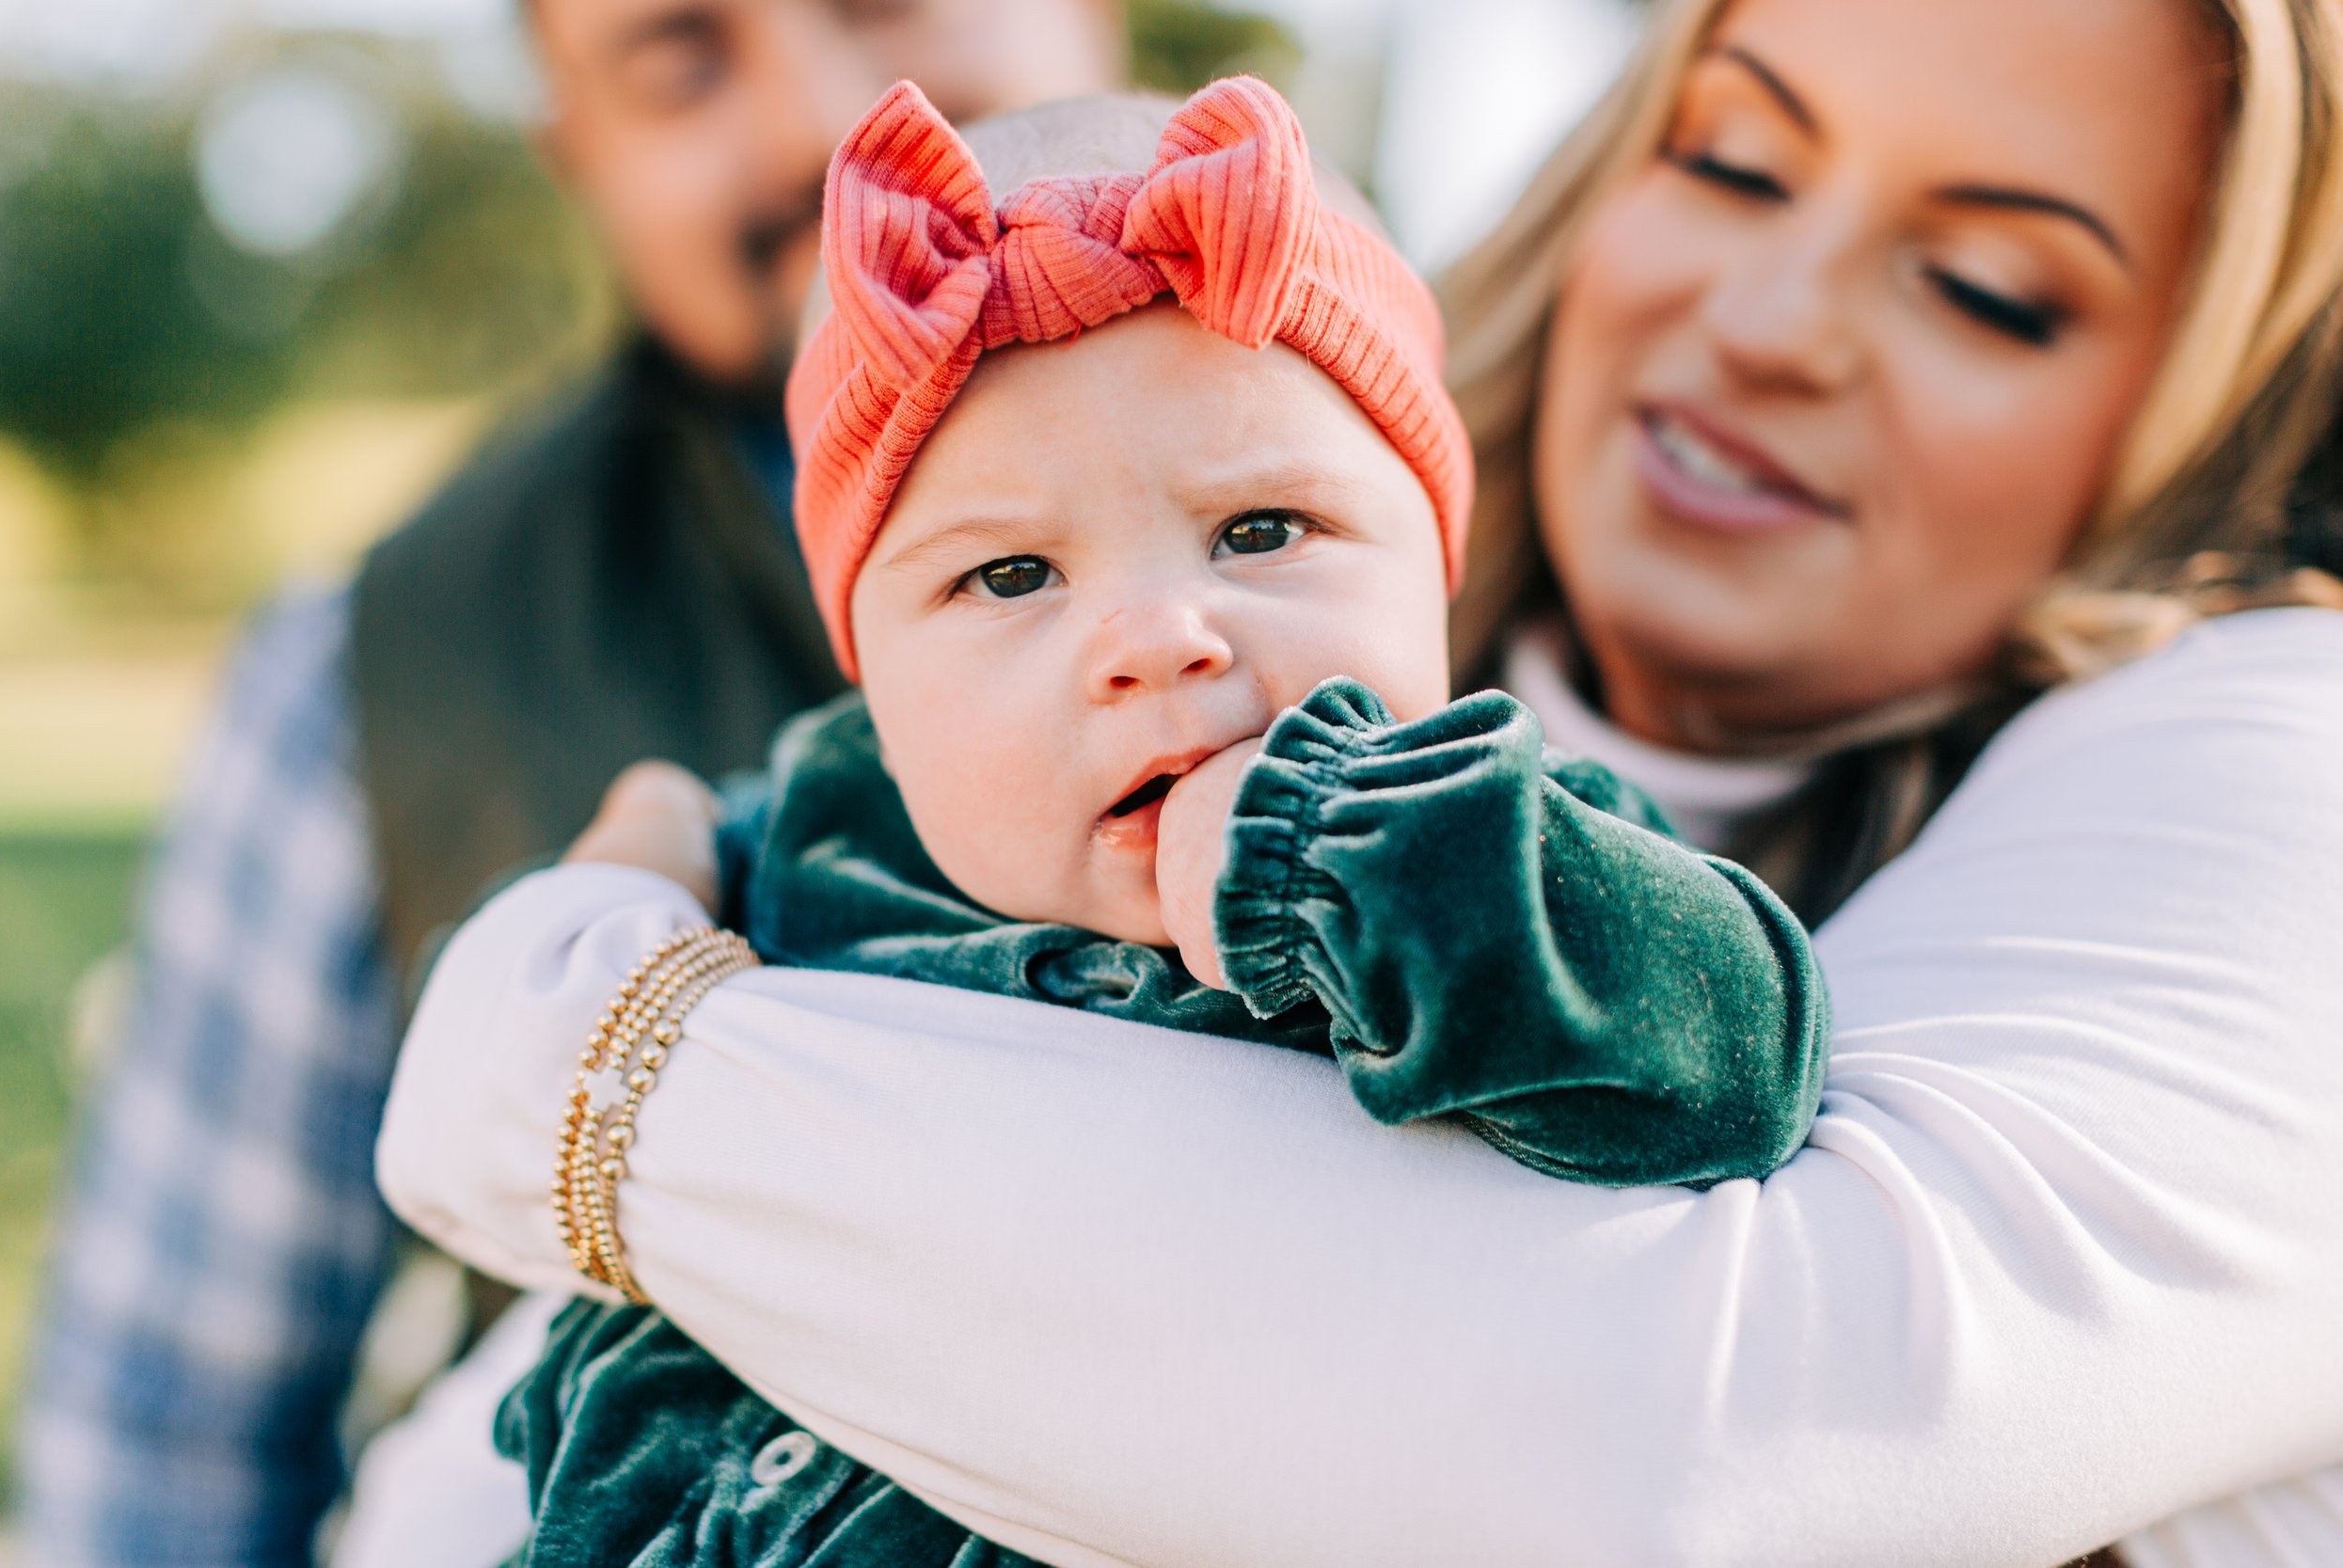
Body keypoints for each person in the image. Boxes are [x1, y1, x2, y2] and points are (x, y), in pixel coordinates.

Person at [378, 0, 2343, 1561]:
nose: (1768, 327)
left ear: (2212, 397)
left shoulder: (1470, 824)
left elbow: (1695, 1393)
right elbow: (489, 1439)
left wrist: (604, 1070)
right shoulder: (823, 824)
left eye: (1989, 284)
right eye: (1735, 161)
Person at [438, 76, 1830, 1563]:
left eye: (1261, 531)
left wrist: (1322, 852)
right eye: (1010, 576)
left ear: (1436, 566)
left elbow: (1737, 1062)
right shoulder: (803, 841)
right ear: (875, 689)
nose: (1160, 639)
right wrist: (627, 887)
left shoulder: (1496, 850)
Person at [17, 2, 1119, 1563]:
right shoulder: (379, 661)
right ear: (577, 154)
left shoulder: (1435, 484)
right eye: (678, 64)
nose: (815, 125)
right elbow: (170, 1429)